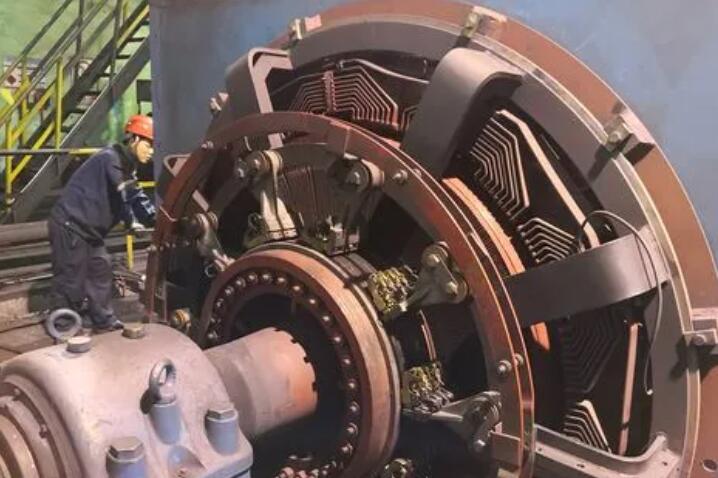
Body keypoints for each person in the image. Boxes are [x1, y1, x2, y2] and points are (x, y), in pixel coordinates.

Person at [48, 114, 156, 330]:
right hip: (71, 225)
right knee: (71, 279)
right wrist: (137, 221)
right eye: (148, 144)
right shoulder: (111, 158)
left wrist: (155, 220)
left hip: (90, 231)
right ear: (134, 139)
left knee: (100, 271)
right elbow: (126, 193)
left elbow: (132, 195)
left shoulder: (126, 166)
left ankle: (103, 320)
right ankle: (63, 327)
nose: (151, 151)